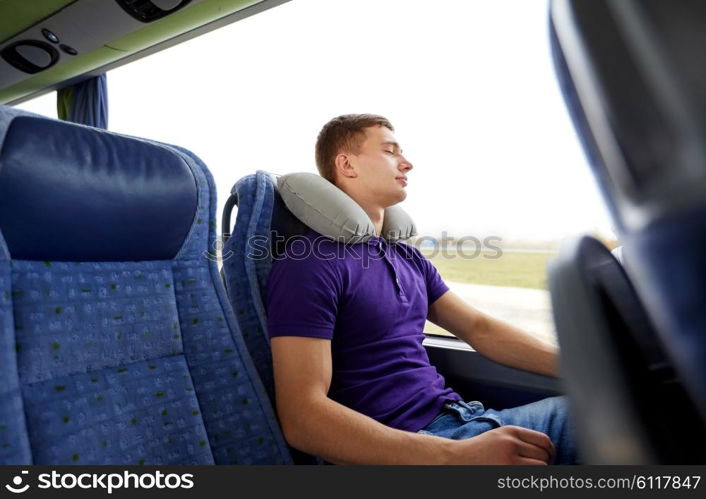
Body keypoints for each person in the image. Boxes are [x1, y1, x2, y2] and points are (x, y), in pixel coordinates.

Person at [266, 114, 577, 465]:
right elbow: (302, 418)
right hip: (417, 444)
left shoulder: (406, 257)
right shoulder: (310, 264)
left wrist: (582, 366)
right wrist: (458, 457)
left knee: (623, 401)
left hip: (464, 421)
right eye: (389, 151)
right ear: (347, 164)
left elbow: (480, 329)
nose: (407, 163)